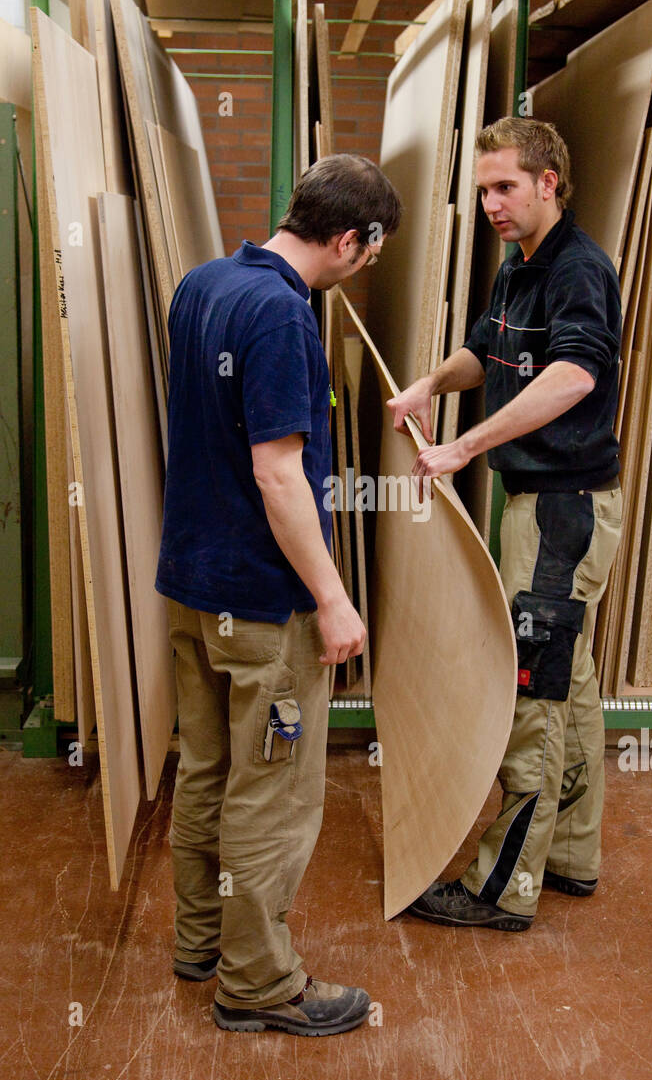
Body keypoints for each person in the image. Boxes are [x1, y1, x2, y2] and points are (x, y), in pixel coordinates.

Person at [156, 153, 401, 1033]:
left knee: (209, 770)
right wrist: (334, 599)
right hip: (263, 604)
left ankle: (200, 942)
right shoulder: (285, 319)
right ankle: (257, 983)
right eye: (368, 254)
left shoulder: (204, 283)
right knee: (273, 791)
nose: (364, 269)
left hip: (191, 583)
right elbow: (279, 474)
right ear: (349, 238)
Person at [387, 117, 622, 932]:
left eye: (504, 187)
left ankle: (502, 889)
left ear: (548, 182)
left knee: (532, 690)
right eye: (483, 188)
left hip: (565, 510)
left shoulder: (579, 271)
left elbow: (572, 376)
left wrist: (465, 446)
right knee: (571, 684)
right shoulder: (515, 269)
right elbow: (483, 354)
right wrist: (427, 387)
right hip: (539, 503)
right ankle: (568, 856)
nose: (489, 202)